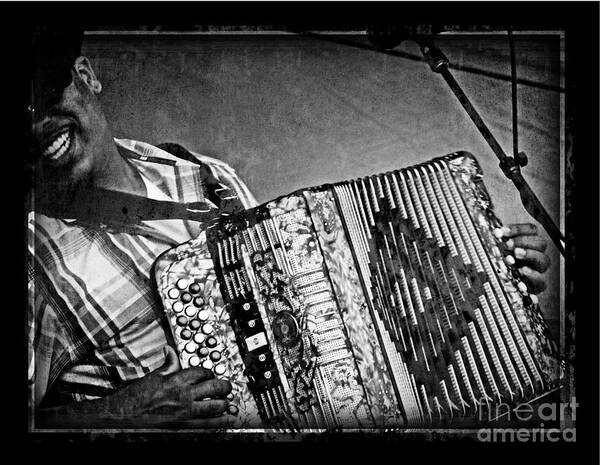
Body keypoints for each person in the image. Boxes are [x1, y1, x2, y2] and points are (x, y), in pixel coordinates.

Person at [27, 28, 552, 429]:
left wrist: (489, 281)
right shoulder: (34, 259)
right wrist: (120, 414)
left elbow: (332, 308)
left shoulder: (200, 173)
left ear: (86, 75)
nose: (36, 123)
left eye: (45, 93)